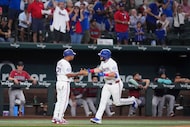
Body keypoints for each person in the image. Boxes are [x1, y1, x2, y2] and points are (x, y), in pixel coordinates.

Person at [87, 49, 137, 124]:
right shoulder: (103, 62)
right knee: (102, 101)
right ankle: (98, 118)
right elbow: (99, 69)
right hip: (107, 84)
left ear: (106, 56)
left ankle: (132, 100)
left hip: (115, 84)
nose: (100, 56)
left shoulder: (112, 63)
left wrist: (104, 74)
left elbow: (114, 74)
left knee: (117, 103)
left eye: (101, 55)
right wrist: (89, 71)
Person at [51, 49, 86, 124]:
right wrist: (79, 73)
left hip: (59, 82)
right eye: (72, 55)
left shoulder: (60, 62)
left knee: (59, 101)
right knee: (64, 101)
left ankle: (55, 117)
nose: (73, 56)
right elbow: (68, 75)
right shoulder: (66, 63)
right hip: (64, 82)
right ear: (69, 55)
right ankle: (60, 118)